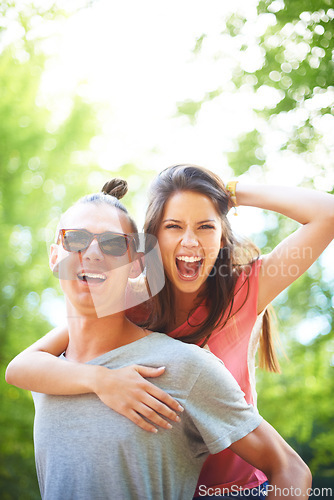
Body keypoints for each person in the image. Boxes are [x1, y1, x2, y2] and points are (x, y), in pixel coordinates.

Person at [7, 164, 333, 497]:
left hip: (238, 486)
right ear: (152, 242)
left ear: (222, 237)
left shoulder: (244, 290)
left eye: (206, 226)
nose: (190, 240)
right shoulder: (131, 300)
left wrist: (229, 192)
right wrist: (101, 380)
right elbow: (23, 366)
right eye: (174, 226)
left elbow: (328, 214)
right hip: (169, 484)